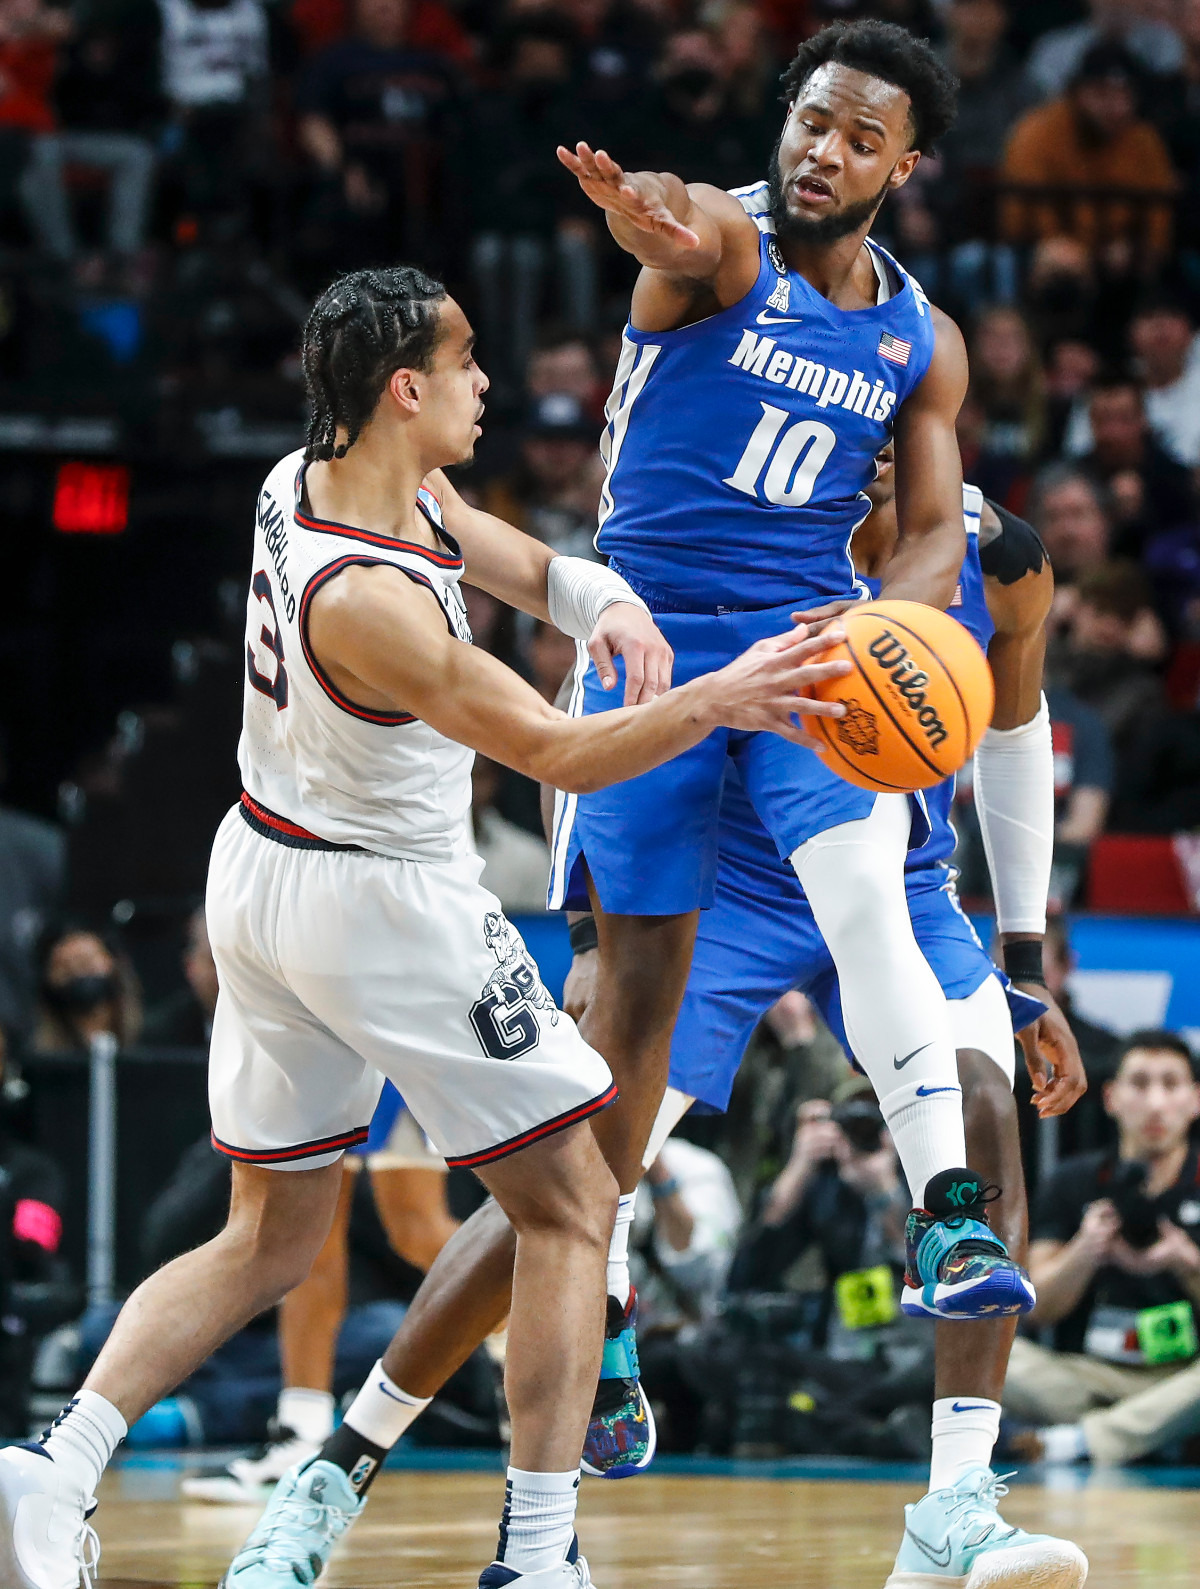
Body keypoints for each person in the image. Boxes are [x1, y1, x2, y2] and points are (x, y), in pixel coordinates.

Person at [0, 263, 851, 1589]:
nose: (487, 386)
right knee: (574, 1203)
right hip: (380, 902)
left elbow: (477, 532)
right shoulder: (371, 604)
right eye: (465, 365)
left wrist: (593, 595)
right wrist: (723, 697)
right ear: (407, 388)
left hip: (263, 871)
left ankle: (55, 1463)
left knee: (269, 1235)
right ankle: (533, 1557)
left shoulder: (310, 475)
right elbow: (561, 751)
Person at [232, 461, 1089, 1588]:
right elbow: (598, 704)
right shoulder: (730, 524)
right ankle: (338, 1466)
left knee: (983, 1110)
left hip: (908, 877)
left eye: (894, 422)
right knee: (574, 1182)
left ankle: (956, 1503)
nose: (871, 446)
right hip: (724, 886)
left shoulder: (998, 556)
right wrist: (591, 937)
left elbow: (1016, 726)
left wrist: (1022, 962)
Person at [183, 1082, 459, 1501]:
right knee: (308, 1241)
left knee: (417, 1230)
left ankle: (546, 1351)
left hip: (391, 1042)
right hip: (323, 1039)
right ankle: (303, 1433)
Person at [1007, 1031, 1200, 1467]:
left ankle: (1082, 1442)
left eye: (1170, 1085)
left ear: (1195, 1100)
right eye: (1139, 1083)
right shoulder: (1073, 1181)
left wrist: (1188, 1264)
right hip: (1089, 1377)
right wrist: (1086, 1250)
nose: (1154, 1103)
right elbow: (1037, 1307)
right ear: (1111, 1098)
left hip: (1185, 1376)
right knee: (989, 1347)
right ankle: (1154, 1436)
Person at [1001, 42, 1178, 271]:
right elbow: (1020, 218)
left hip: (1123, 265)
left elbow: (1158, 222)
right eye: (1101, 94)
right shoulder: (1038, 133)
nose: (1115, 107)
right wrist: (1075, 248)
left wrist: (1137, 248)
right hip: (1045, 257)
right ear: (1077, 92)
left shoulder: (1143, 140)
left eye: (1124, 95)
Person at [31, 925, 142, 1053]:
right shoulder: (34, 1046)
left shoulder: (152, 1038)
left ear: (112, 963)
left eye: (86, 963)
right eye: (65, 968)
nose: (78, 974)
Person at [142, 906, 220, 1047]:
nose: (223, 974)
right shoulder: (160, 1036)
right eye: (214, 961)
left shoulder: (271, 1021)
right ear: (190, 966)